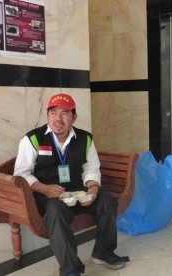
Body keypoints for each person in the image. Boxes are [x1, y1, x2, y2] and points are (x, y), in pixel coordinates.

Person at [14, 93, 125, 276]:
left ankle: (103, 252)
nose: (58, 119)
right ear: (47, 115)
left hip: (76, 192)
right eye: (53, 112)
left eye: (64, 113)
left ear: (74, 117)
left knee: (107, 201)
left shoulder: (85, 139)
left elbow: (91, 168)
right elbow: (21, 174)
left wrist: (92, 188)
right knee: (56, 210)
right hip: (45, 195)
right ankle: (70, 269)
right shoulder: (32, 139)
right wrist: (44, 189)